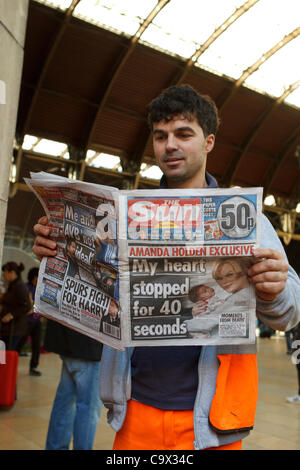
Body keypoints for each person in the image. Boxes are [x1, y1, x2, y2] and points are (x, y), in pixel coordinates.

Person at [32, 84, 300, 450]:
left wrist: (275, 288)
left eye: (183, 134)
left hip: (212, 421)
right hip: (135, 411)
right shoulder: (122, 215)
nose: (169, 145)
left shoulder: (245, 217)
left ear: (208, 142)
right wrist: (56, 253)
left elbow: (291, 312)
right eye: (161, 136)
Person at [43, 320, 103, 450]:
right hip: (90, 343)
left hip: (66, 339)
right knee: (87, 410)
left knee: (64, 404)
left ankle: (55, 446)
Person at [17, 267, 43, 376]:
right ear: (34, 277)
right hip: (27, 321)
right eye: (38, 277)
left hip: (37, 321)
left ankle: (33, 367)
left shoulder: (40, 288)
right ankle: (11, 363)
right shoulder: (26, 288)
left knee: (36, 346)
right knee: (19, 343)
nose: (39, 279)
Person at [0, 262, 31, 351]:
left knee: (6, 355)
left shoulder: (20, 286)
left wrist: (11, 315)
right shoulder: (12, 285)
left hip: (14, 329)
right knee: (2, 355)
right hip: (7, 329)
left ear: (12, 273)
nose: (3, 274)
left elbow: (26, 306)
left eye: (5, 272)